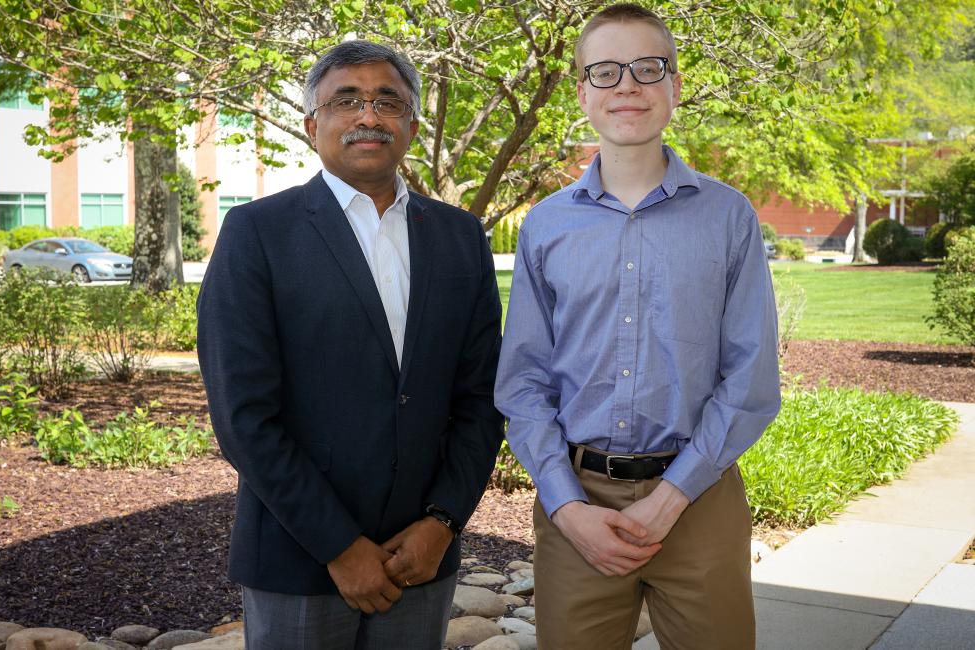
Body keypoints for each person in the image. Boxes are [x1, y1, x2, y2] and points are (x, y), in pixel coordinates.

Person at [197, 40, 504, 650]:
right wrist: (340, 547)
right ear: (313, 125)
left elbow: (480, 398)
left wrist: (442, 522)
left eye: (387, 101)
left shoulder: (460, 237)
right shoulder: (257, 233)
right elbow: (243, 416)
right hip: (297, 558)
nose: (369, 116)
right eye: (347, 101)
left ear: (411, 125)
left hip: (421, 557)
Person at [494, 5, 782, 649]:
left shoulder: (728, 217)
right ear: (582, 93)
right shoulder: (546, 225)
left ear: (674, 87)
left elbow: (752, 376)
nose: (627, 85)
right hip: (577, 505)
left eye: (647, 68)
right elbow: (523, 383)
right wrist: (567, 507)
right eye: (605, 70)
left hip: (699, 496)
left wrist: (671, 499)